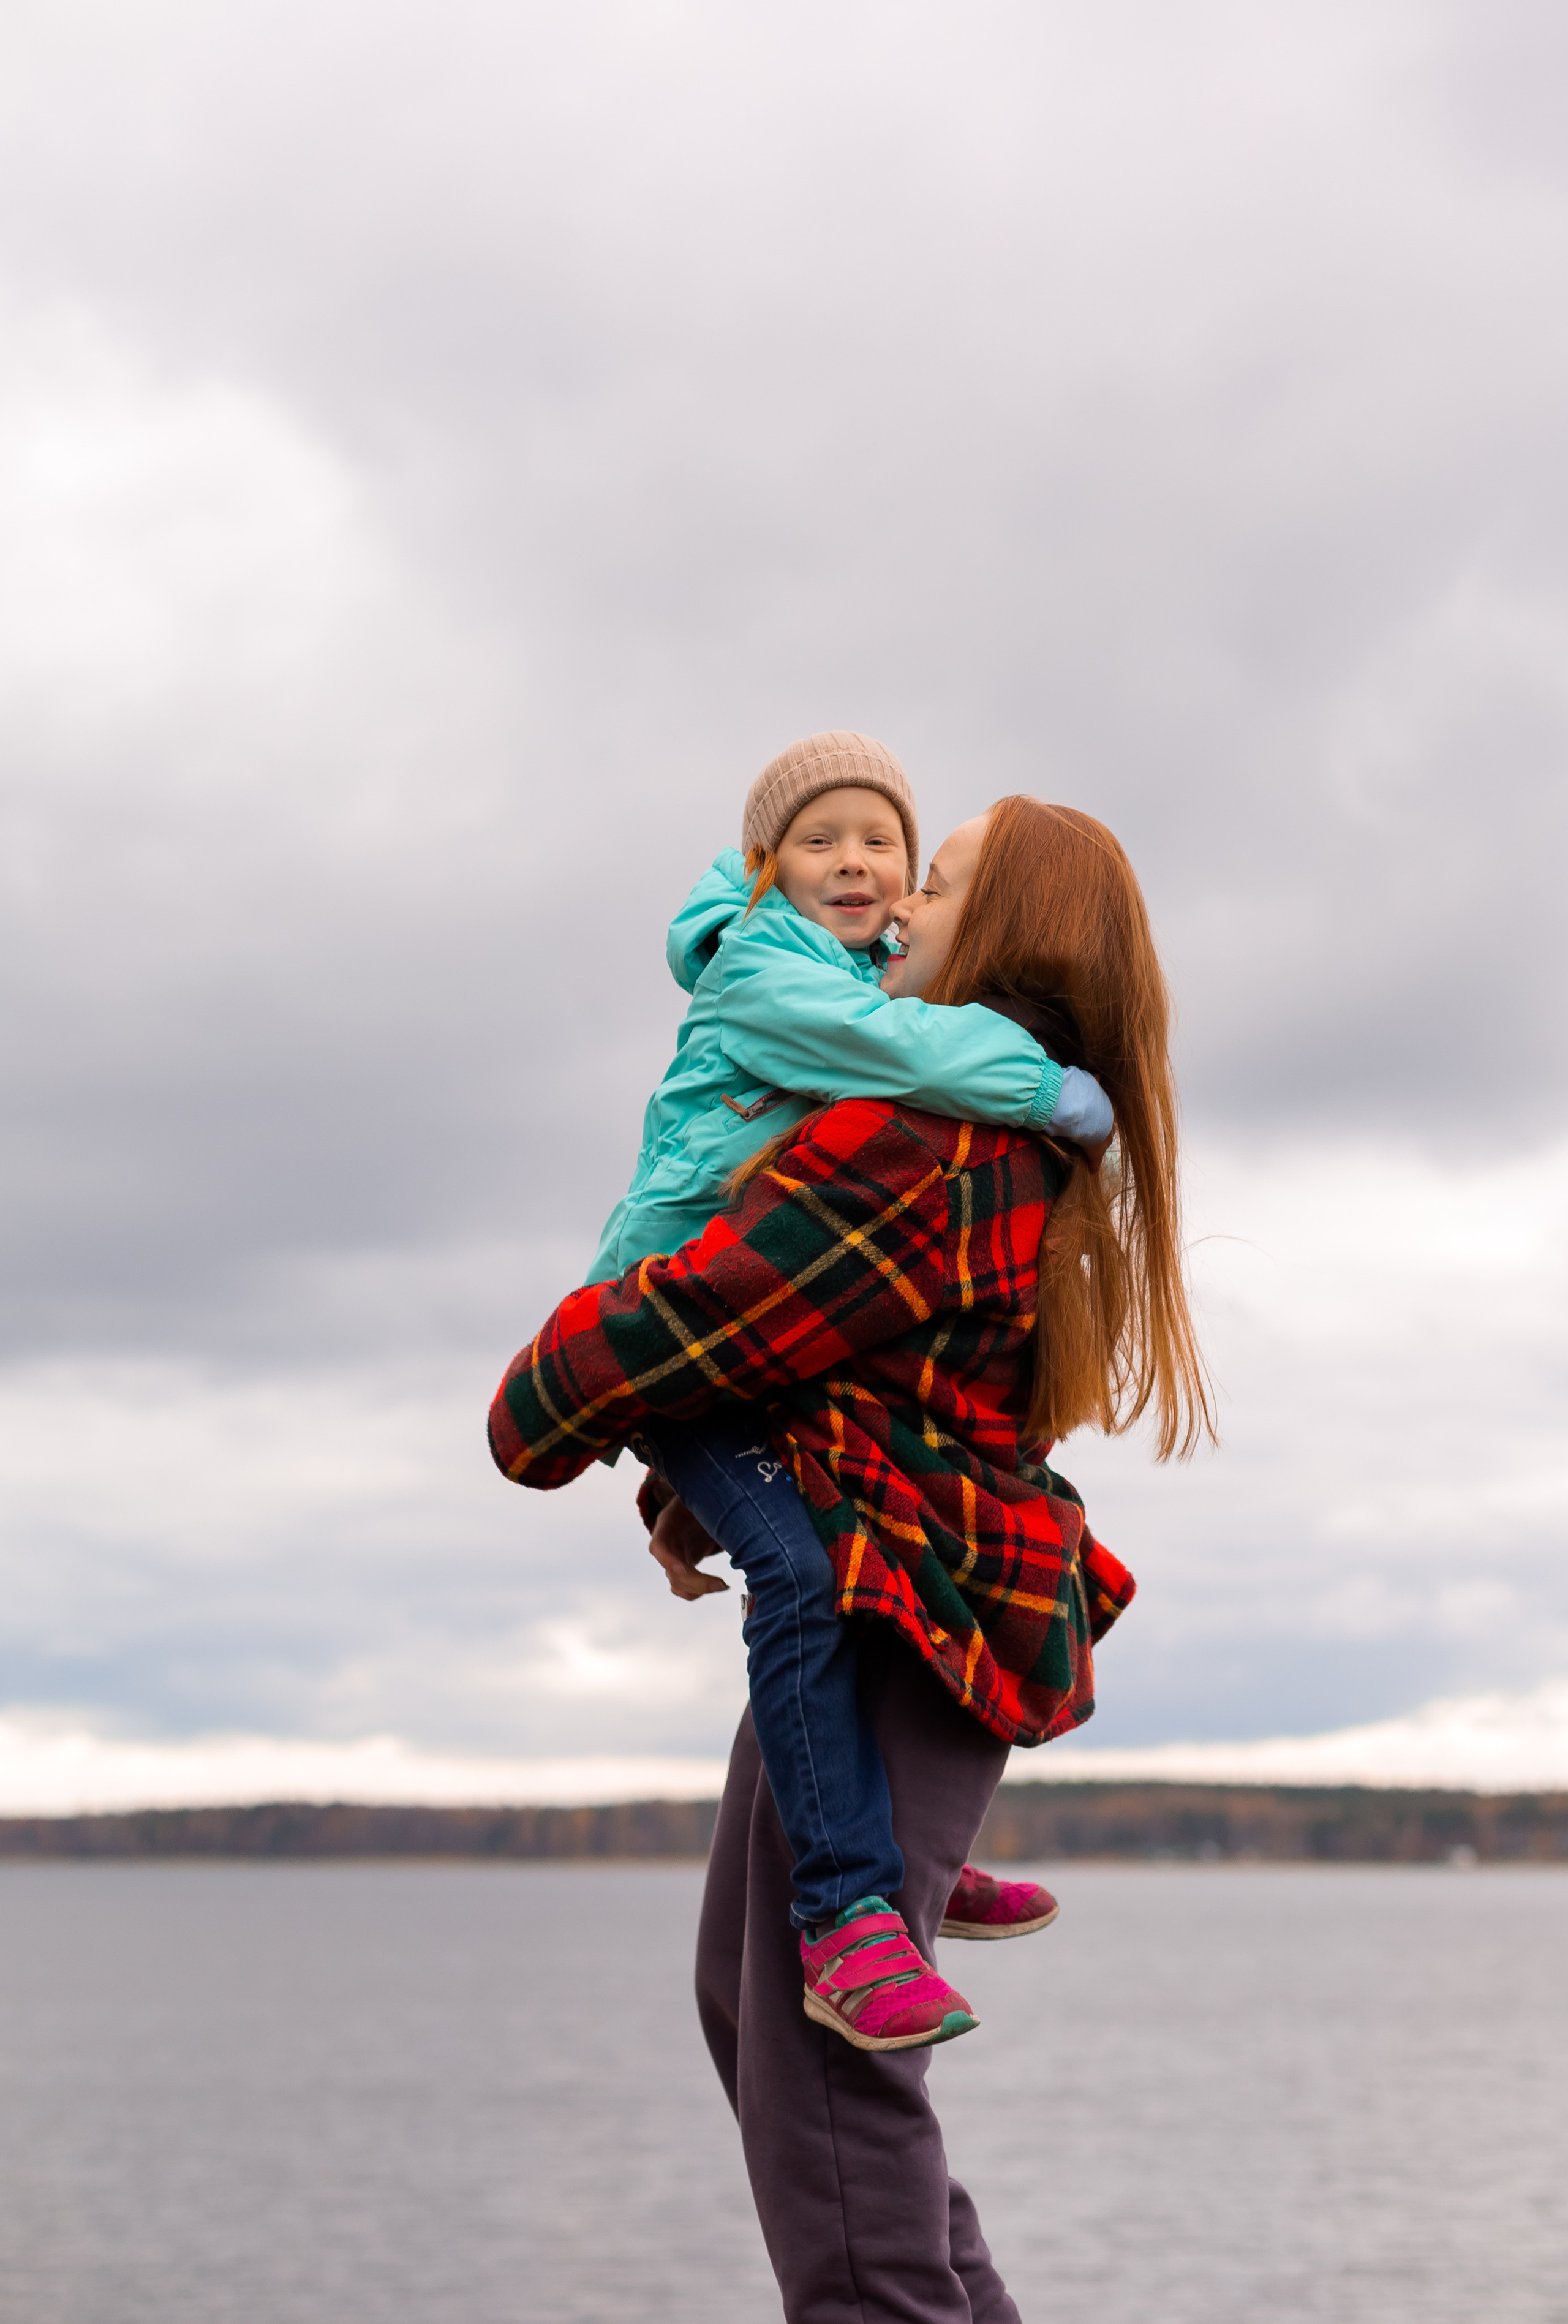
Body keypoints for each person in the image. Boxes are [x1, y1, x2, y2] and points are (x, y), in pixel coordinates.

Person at [490, 794, 1212, 2324]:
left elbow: (716, 1304)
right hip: (903, 1595)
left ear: (1000, 929)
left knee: (824, 2062)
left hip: (906, 1613)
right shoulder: (984, 1123)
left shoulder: (933, 1136)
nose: (893, 903)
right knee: (758, 2008)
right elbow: (854, 1365)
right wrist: (717, 1478)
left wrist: (538, 1391)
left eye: (934, 882)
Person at [578, 731, 1114, 2042]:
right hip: (660, 1326)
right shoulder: (768, 969)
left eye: (887, 843)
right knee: (813, 1577)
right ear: (765, 869)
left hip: (727, 1354)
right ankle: (846, 1916)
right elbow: (910, 1054)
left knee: (872, 1554)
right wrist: (1046, 1086)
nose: (863, 867)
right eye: (821, 842)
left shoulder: (857, 969)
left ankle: (895, 1861)